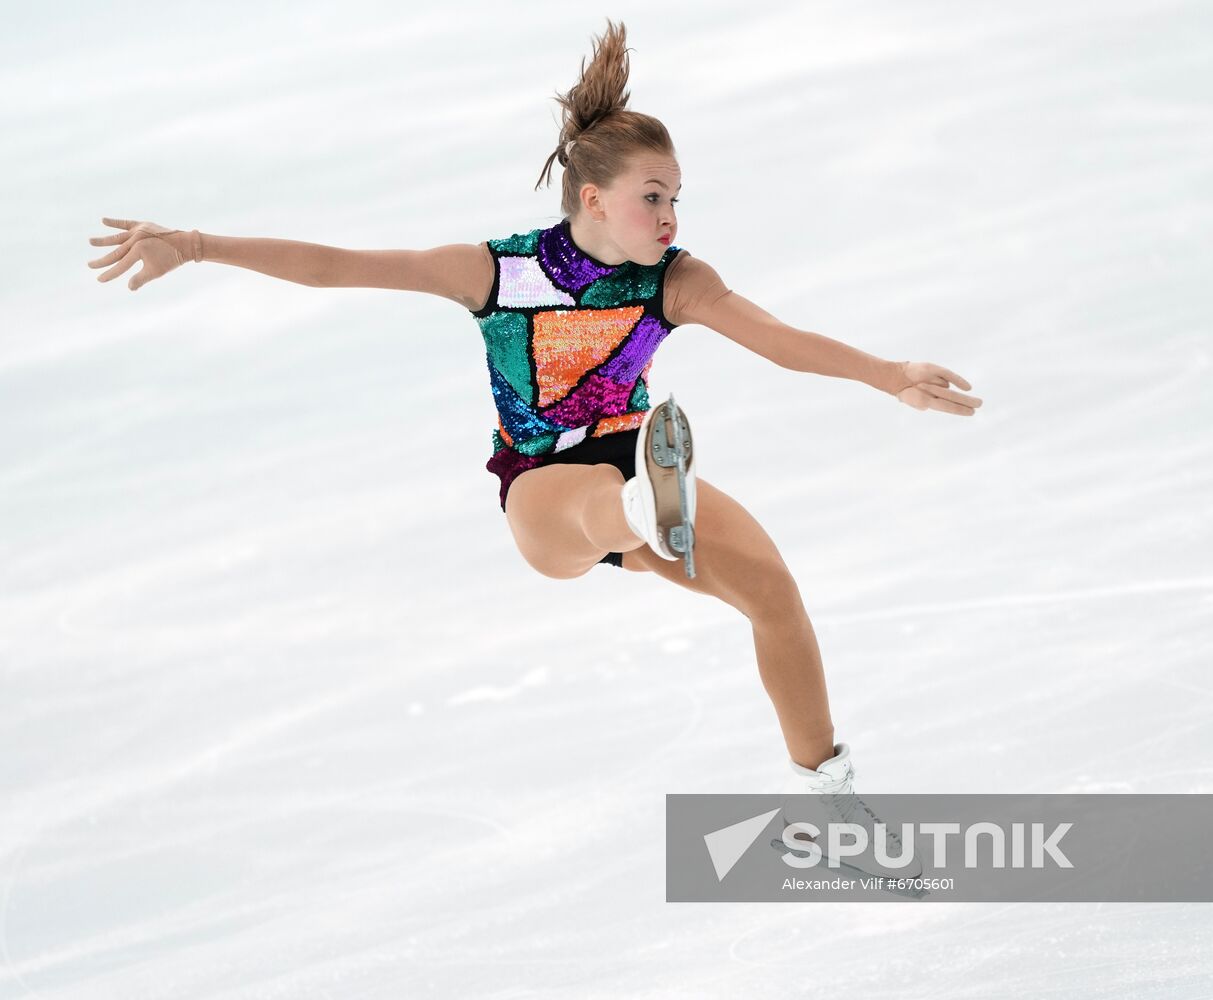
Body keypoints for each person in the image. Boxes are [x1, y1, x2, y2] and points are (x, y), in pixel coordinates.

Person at [86, 18, 982, 871]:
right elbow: (341, 264)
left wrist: (884, 373)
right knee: (597, 505)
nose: (670, 216)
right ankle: (644, 509)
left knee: (775, 594)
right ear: (593, 198)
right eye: (653, 197)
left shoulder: (678, 280)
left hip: (635, 449)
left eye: (676, 198)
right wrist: (195, 244)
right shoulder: (498, 271)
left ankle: (832, 801)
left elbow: (775, 337)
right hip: (544, 488)